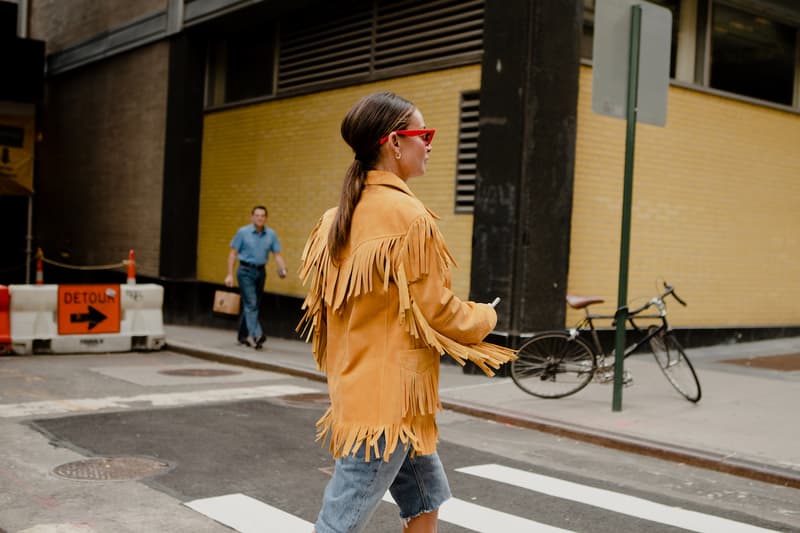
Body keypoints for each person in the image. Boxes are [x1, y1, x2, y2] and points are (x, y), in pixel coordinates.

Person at [298, 92, 515, 533]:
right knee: (339, 522)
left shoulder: (332, 219)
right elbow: (438, 312)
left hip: (365, 392)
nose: (430, 144)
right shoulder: (410, 216)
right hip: (388, 404)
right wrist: (486, 317)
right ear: (395, 143)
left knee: (426, 496)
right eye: (424, 134)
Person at [224, 205, 287, 349]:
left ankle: (242, 335)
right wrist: (229, 275)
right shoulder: (243, 232)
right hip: (245, 271)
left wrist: (283, 269)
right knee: (251, 303)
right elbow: (233, 254)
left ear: (266, 218)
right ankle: (256, 335)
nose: (260, 218)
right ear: (252, 217)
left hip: (260, 272)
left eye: (262, 215)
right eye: (257, 215)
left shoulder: (271, 234)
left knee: (251, 305)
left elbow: (277, 255)